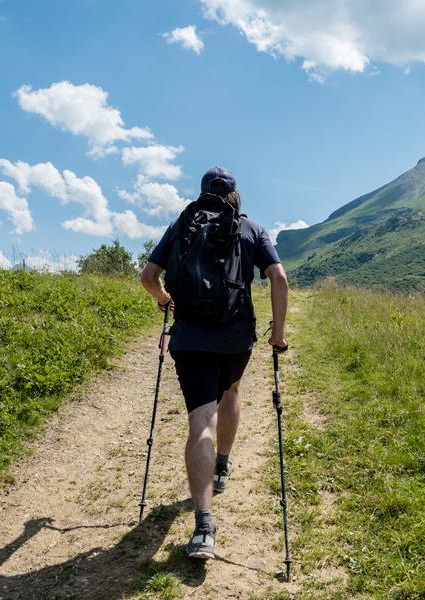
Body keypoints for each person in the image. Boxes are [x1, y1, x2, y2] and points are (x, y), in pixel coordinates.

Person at [140, 166, 289, 560]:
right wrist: (278, 332)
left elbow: (149, 276)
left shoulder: (181, 225)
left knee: (200, 420)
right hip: (235, 338)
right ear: (234, 194)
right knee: (232, 391)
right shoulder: (250, 228)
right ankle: (222, 465)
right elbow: (279, 277)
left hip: (190, 339)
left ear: (204, 192)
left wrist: (164, 300)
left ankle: (204, 525)